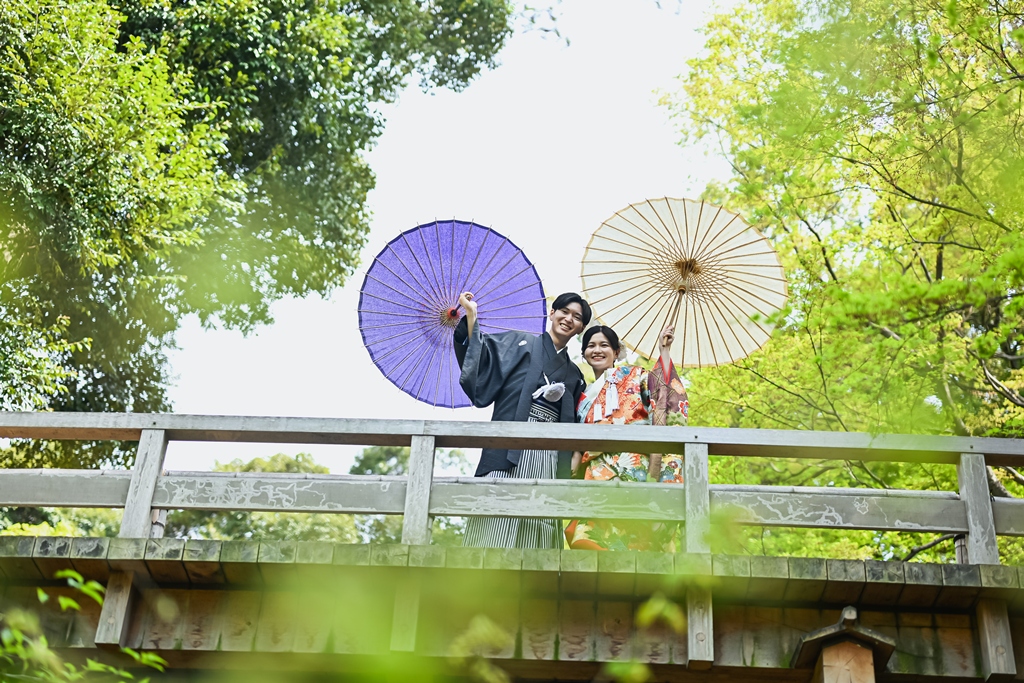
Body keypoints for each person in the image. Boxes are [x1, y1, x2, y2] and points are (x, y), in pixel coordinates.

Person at [453, 291, 590, 549]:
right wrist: (471, 314)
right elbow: (482, 352)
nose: (568, 319)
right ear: (552, 313)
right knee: (498, 507)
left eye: (576, 317)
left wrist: (576, 451)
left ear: (581, 328)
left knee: (539, 512)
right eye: (564, 312)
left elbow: (580, 418)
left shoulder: (574, 375)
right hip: (509, 444)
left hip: (549, 452)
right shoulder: (520, 343)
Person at [564, 324, 688, 552]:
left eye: (604, 345)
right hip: (598, 469)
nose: (597, 350)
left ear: (616, 351)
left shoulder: (634, 375)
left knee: (638, 535)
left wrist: (664, 352)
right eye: (591, 346)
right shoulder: (582, 395)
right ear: (584, 354)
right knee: (596, 537)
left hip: (634, 462)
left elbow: (662, 397)